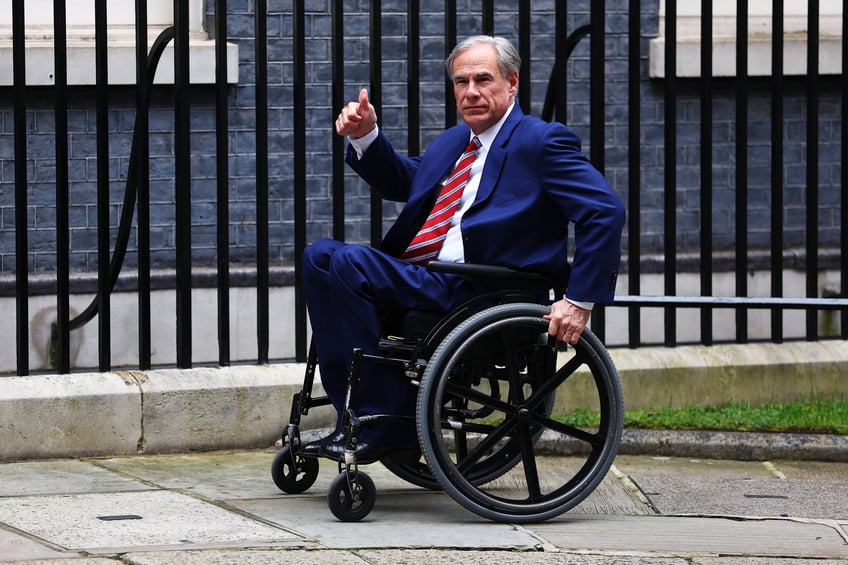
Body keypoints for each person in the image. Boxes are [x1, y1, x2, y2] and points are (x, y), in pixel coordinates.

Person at [301, 35, 625, 463]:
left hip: (479, 289)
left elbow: (604, 210)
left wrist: (578, 301)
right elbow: (407, 182)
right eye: (461, 81)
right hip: (427, 278)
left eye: (483, 79)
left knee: (347, 261)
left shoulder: (541, 142)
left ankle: (383, 420)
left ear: (512, 83)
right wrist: (367, 137)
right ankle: (359, 415)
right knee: (318, 256)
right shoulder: (456, 142)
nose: (470, 91)